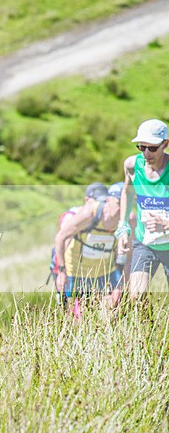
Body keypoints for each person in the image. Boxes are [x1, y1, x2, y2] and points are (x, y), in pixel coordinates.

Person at [116, 119, 169, 298]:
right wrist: (123, 228)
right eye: (141, 147)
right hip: (145, 243)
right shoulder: (132, 166)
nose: (146, 153)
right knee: (136, 297)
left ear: (165, 144)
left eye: (152, 148)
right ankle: (145, 318)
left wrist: (166, 224)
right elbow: (127, 192)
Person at [54, 183, 124, 315]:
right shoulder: (77, 215)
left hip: (102, 273)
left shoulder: (115, 217)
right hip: (75, 273)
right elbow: (62, 238)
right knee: (77, 316)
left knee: (109, 312)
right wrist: (61, 272)